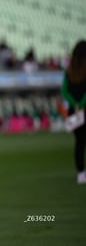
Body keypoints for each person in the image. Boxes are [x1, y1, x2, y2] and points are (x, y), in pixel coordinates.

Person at [61, 40, 86, 184]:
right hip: (83, 109)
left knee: (79, 142)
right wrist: (82, 103)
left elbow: (64, 90)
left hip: (74, 111)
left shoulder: (69, 70)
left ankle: (81, 173)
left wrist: (74, 104)